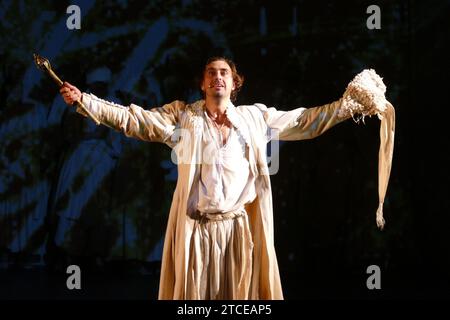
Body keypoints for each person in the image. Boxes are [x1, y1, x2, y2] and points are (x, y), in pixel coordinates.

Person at [59, 57, 394, 299]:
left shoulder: (254, 118)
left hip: (237, 231)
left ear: (234, 84)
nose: (217, 77)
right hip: (197, 233)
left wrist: (346, 106)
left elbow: (306, 121)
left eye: (224, 73)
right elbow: (134, 120)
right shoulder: (183, 116)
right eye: (210, 73)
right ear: (203, 83)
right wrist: (86, 102)